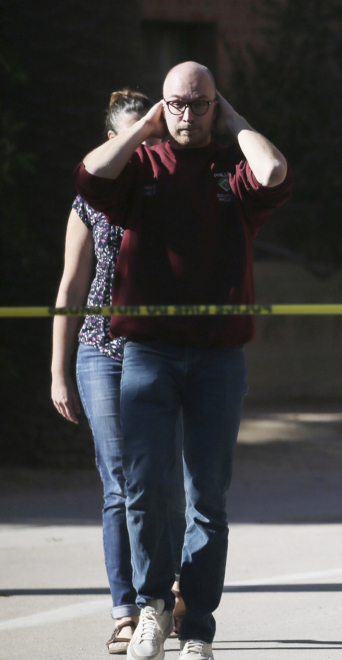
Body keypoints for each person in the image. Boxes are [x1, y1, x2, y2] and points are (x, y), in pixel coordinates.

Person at [74, 62, 291, 660]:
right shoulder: (139, 166)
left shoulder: (232, 169)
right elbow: (91, 172)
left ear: (215, 107)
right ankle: (151, 607)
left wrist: (237, 121)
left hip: (219, 359)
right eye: (175, 104)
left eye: (199, 104)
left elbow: (273, 172)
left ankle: (197, 626)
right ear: (161, 107)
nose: (186, 115)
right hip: (148, 353)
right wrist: (144, 126)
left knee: (208, 497)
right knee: (144, 486)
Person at [51, 89, 187, 655]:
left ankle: (170, 597)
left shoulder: (174, 194)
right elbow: (71, 288)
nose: (146, 146)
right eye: (135, 136)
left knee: (161, 479)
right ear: (113, 140)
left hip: (160, 351)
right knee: (119, 483)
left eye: (153, 137)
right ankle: (127, 609)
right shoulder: (90, 203)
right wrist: (58, 372)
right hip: (99, 352)